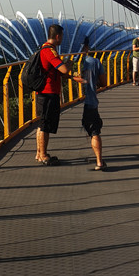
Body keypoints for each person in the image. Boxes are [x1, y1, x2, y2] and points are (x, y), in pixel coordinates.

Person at [36, 24, 87, 165]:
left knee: (42, 123)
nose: (62, 39)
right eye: (62, 37)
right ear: (57, 36)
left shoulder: (43, 48)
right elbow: (63, 70)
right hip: (48, 92)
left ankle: (39, 153)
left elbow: (59, 73)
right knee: (45, 125)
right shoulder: (49, 51)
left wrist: (73, 76)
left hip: (45, 92)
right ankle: (43, 155)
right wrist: (69, 63)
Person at [79, 52, 106, 171]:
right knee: (94, 131)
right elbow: (104, 83)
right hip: (91, 102)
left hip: (83, 102)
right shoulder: (95, 62)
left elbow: (80, 78)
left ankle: (99, 161)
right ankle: (99, 162)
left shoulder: (78, 62)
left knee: (93, 130)